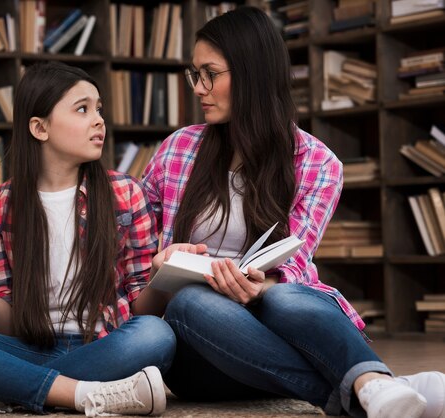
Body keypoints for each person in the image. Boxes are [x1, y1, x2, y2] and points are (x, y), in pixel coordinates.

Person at [142, 7, 445, 418]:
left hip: (278, 328)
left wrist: (253, 287)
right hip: (203, 348)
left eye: (210, 73)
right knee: (190, 303)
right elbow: (135, 259)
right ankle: (375, 384)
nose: (199, 87)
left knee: (285, 296)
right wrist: (161, 266)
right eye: (194, 74)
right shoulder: (177, 149)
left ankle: (369, 386)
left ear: (252, 74)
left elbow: (295, 266)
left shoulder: (318, 163)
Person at [0, 61, 195, 417]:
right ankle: (85, 394)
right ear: (40, 128)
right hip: (28, 348)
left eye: (99, 109)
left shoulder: (126, 194)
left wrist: (167, 275)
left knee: (155, 335)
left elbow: (141, 310)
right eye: (82, 109)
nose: (99, 120)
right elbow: (4, 325)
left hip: (105, 345)